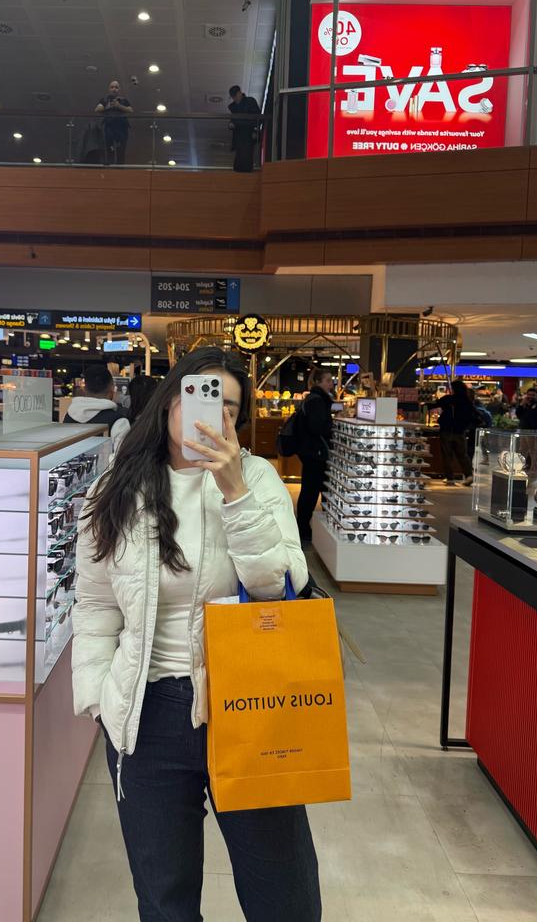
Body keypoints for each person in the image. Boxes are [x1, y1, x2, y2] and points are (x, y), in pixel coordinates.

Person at [72, 347, 319, 922]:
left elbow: (278, 586)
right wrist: (99, 698)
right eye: (202, 396)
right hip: (146, 713)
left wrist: (234, 491)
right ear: (170, 402)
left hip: (247, 705)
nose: (215, 415)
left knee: (285, 896)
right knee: (165, 900)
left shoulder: (257, 478)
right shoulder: (115, 489)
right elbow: (96, 605)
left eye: (230, 407)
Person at [296, 370, 334, 543]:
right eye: (328, 380)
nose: (331, 384)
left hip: (310, 452)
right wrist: (331, 425)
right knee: (311, 492)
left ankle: (304, 527)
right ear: (318, 382)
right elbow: (317, 427)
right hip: (316, 453)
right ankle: (304, 528)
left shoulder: (313, 399)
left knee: (310, 491)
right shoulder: (318, 400)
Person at [426, 379, 480, 485]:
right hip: (460, 432)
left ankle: (450, 478)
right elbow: (475, 416)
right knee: (462, 455)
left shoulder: (449, 399)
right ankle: (469, 475)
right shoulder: (467, 401)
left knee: (447, 455)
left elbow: (432, 405)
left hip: (446, 431)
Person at [63, 363, 130, 445]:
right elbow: (122, 452)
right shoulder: (119, 422)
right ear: (112, 387)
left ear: (84, 389)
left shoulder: (69, 416)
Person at [95, 80, 133, 165]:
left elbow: (130, 110)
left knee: (121, 149)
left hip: (121, 127)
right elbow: (97, 109)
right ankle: (109, 166)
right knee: (109, 148)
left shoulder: (123, 100)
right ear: (109, 89)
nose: (114, 89)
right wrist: (107, 107)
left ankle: (120, 167)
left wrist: (119, 106)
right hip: (109, 126)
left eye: (116, 87)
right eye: (112, 87)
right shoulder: (105, 100)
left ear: (119, 89)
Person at [228, 85, 261, 173]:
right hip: (240, 135)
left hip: (248, 133)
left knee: (246, 156)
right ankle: (242, 173)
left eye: (235, 96)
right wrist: (231, 124)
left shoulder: (250, 101)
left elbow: (257, 118)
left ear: (239, 93)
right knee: (241, 157)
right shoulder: (235, 106)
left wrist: (255, 130)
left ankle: (245, 173)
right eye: (233, 97)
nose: (234, 99)